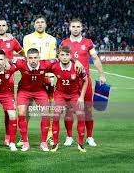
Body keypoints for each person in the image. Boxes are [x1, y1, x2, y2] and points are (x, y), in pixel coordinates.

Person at [60, 18, 106, 147]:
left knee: (87, 111)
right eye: (73, 26)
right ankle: (69, 137)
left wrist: (102, 74)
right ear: (69, 28)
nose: (75, 29)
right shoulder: (64, 43)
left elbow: (95, 58)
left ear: (81, 28)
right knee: (69, 111)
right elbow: (60, 59)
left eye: (78, 26)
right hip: (69, 82)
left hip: (85, 82)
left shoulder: (88, 42)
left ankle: (89, 137)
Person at [50, 45, 88, 152]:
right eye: (62, 55)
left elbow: (86, 81)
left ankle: (80, 143)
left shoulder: (77, 67)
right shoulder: (54, 66)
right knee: (56, 116)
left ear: (71, 56)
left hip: (74, 95)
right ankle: (55, 143)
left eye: (67, 55)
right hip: (59, 94)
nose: (65, 57)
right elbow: (43, 68)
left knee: (81, 116)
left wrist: (81, 97)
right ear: (58, 56)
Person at [14, 48, 52, 152]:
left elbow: (59, 61)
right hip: (24, 91)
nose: (33, 60)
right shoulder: (21, 64)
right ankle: (25, 142)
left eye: (35, 58)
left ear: (39, 58)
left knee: (46, 112)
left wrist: (76, 62)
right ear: (27, 59)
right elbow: (8, 62)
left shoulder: (46, 64)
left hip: (40, 91)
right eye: (30, 58)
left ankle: (43, 142)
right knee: (21, 113)